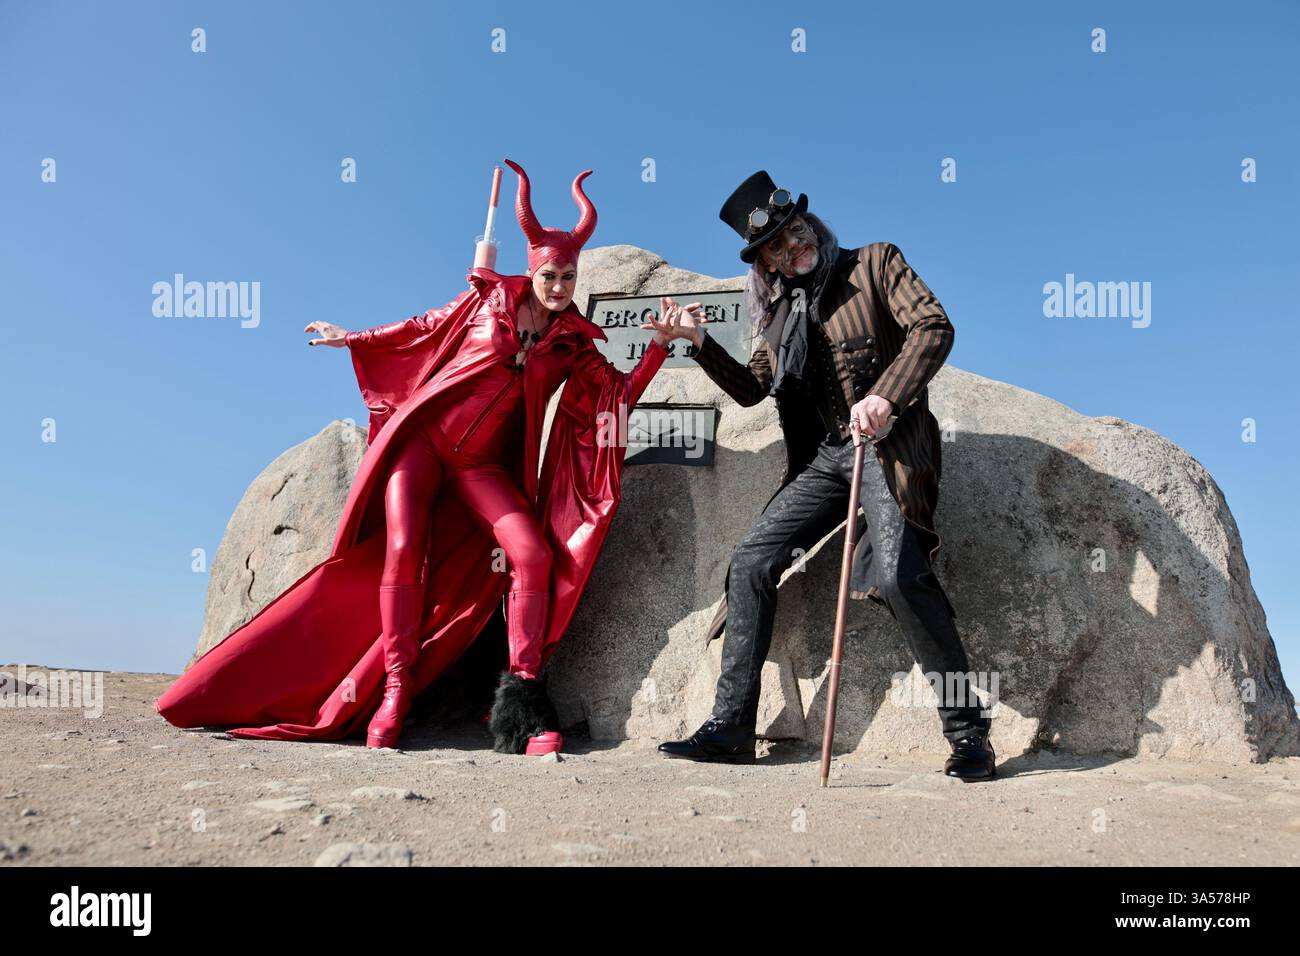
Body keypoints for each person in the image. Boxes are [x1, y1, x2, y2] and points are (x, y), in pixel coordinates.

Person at [155, 159, 684, 754]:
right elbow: (421, 327)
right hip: (423, 446)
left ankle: (522, 706)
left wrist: (659, 348)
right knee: (404, 550)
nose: (559, 286)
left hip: (482, 467)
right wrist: (351, 337)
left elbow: (616, 396)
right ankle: (394, 694)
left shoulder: (571, 342)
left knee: (533, 554)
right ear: (533, 270)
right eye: (550, 274)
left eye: (568, 276)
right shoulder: (485, 302)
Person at [653, 170, 995, 780]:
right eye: (776, 248)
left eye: (797, 231)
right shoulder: (781, 314)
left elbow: (933, 327)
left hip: (890, 447)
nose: (793, 247)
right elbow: (754, 390)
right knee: (751, 560)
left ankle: (968, 733)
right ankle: (731, 726)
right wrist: (699, 342)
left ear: (810, 222)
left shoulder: (875, 263)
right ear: (767, 265)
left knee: (896, 576)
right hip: (827, 460)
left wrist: (886, 397)